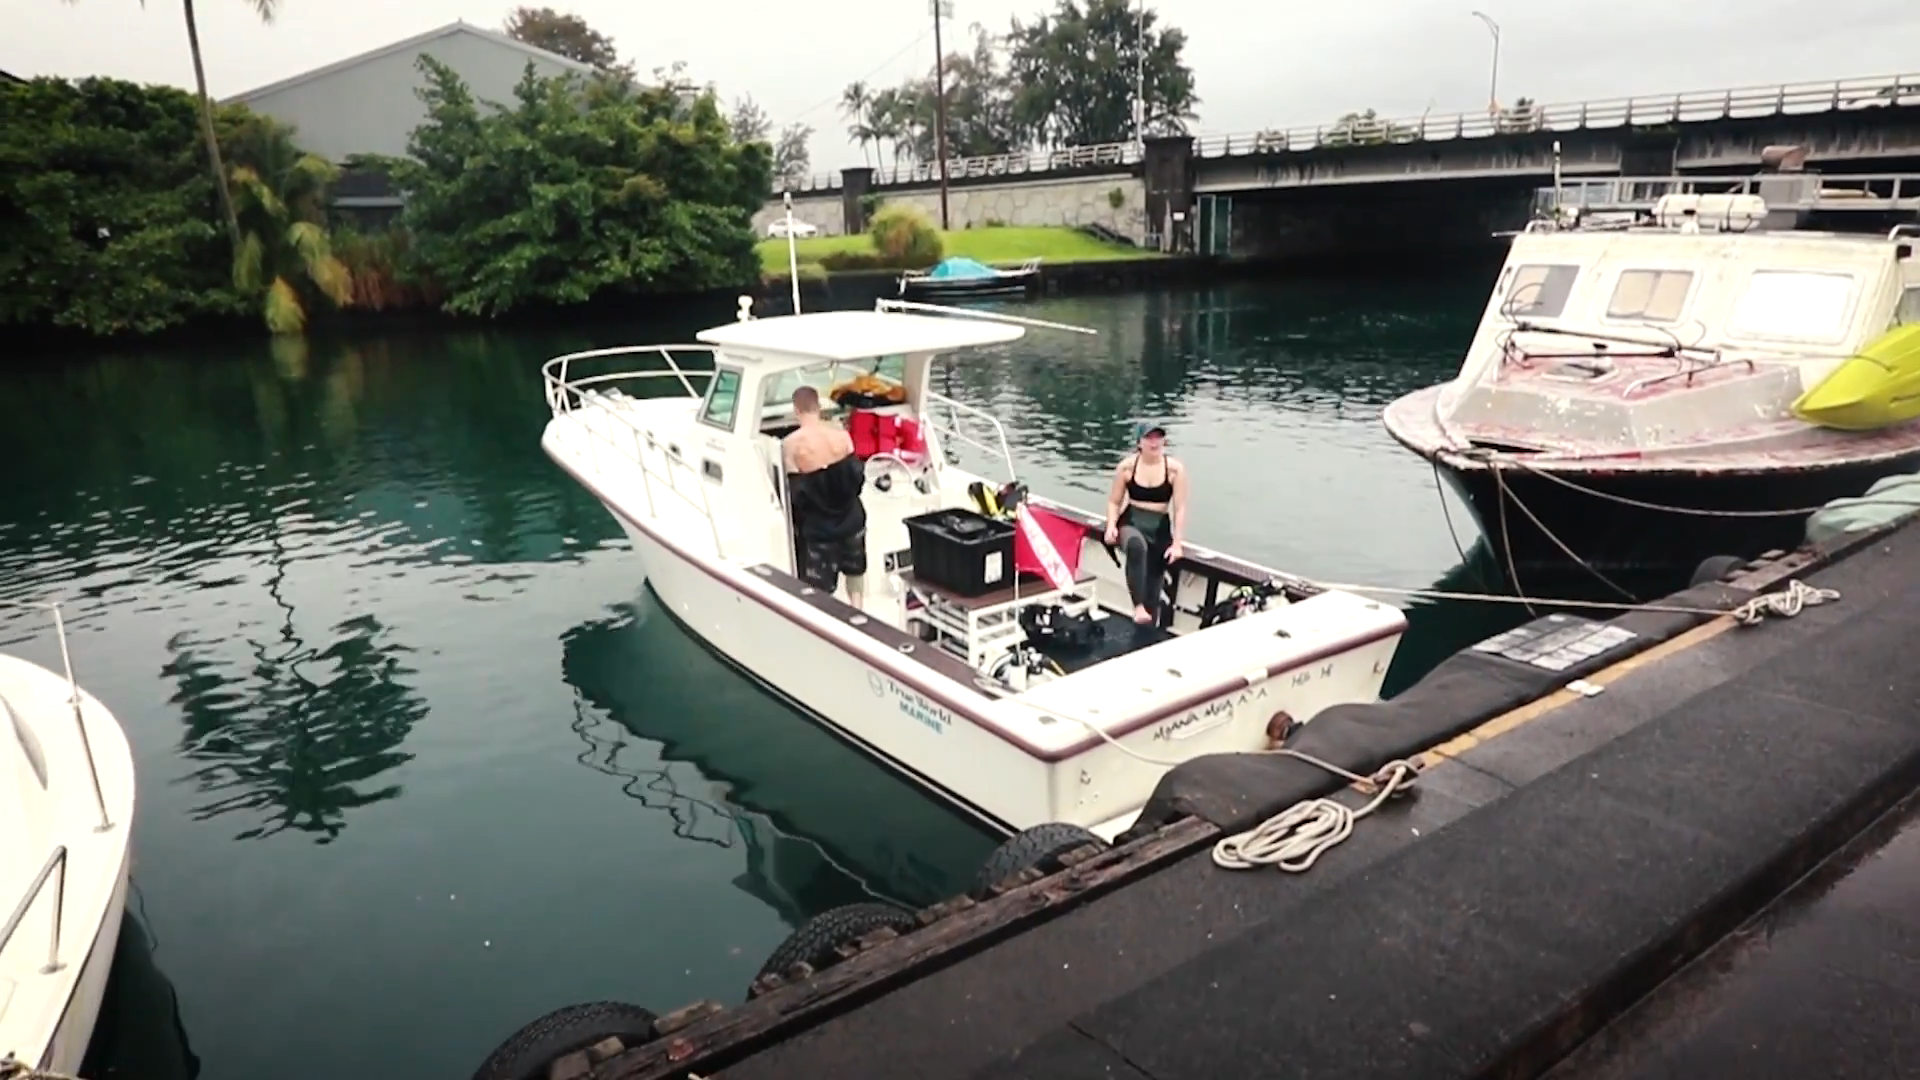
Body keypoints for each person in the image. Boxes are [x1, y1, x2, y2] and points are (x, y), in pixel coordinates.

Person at [782, 385, 868, 608]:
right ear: (819, 407)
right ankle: (858, 609)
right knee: (855, 570)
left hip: (820, 529)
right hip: (852, 519)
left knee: (820, 587)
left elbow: (796, 493)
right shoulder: (842, 436)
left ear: (796, 411)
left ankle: (826, 621)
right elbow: (856, 478)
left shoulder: (790, 445)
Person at [1102, 420, 1188, 624]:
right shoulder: (1127, 467)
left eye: (1158, 437)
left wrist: (1177, 544)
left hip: (1159, 526)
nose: (1154, 442)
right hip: (1132, 521)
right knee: (1136, 545)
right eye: (1148, 437)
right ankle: (1137, 606)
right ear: (1139, 442)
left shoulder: (1175, 470)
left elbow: (1180, 508)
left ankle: (1146, 630)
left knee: (1153, 588)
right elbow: (1114, 501)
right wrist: (1111, 526)